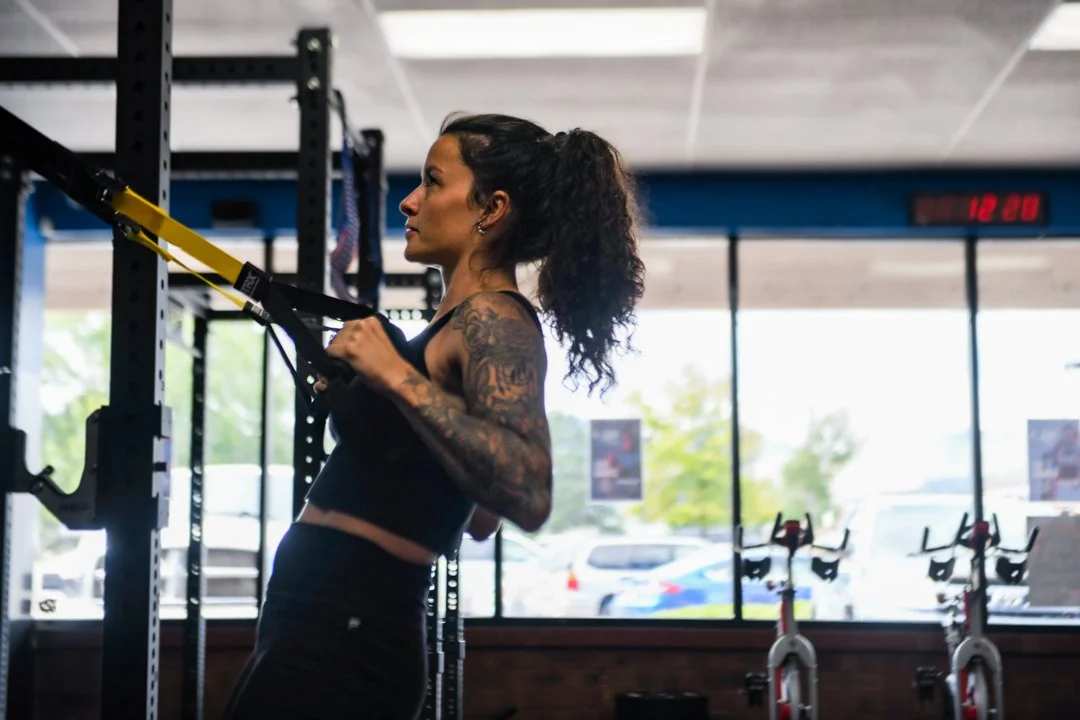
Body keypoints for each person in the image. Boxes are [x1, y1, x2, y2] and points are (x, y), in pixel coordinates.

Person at [222, 112, 646, 719]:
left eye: (432, 182)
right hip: (324, 618)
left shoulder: (494, 319)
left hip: (351, 630)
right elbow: (480, 518)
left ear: (490, 209)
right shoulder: (456, 326)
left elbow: (527, 490)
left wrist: (392, 377)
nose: (409, 202)